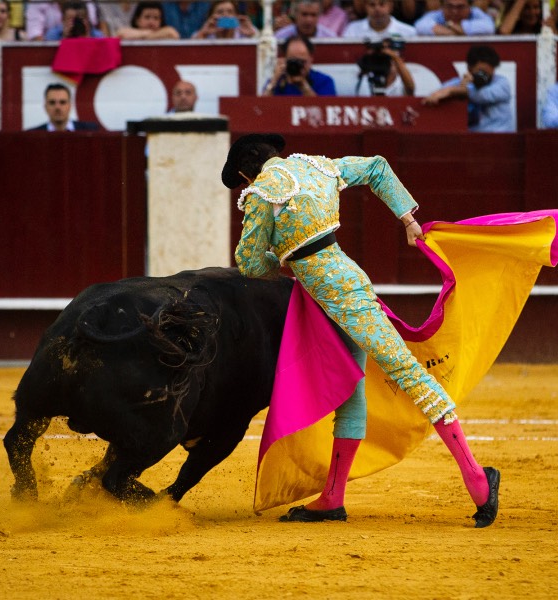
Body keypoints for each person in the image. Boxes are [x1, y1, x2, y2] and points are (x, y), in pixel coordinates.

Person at [222, 134, 500, 526]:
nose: (247, 185)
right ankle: (332, 498)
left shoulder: (262, 193)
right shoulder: (316, 166)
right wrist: (408, 219)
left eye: (244, 179)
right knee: (351, 389)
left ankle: (479, 482)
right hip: (345, 281)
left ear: (245, 171)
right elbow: (376, 166)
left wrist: (279, 260)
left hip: (335, 295)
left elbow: (249, 264)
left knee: (406, 372)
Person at [423, 44, 515, 133]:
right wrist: (438, 95)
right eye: (481, 72)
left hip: (499, 138)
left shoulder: (501, 83)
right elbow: (434, 95)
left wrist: (453, 91)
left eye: (488, 73)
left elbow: (483, 96)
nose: (484, 76)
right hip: (471, 139)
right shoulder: (458, 82)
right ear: (469, 68)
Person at [262, 35, 337, 97]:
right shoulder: (277, 81)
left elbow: (324, 109)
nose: (297, 65)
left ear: (310, 60)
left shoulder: (324, 81)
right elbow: (261, 108)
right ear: (285, 59)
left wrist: (303, 85)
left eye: (302, 62)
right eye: (293, 61)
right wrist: (274, 81)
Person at [27, 83, 100, 131]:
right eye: (52, 102)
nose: (57, 107)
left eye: (62, 102)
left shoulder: (90, 131)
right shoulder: (33, 135)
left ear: (70, 105)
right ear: (45, 106)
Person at [25, 0, 99, 41]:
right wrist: (64, 38)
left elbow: (90, 26)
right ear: (62, 19)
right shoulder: (52, 34)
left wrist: (87, 37)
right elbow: (35, 37)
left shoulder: (96, 34)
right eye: (70, 19)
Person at [414, 0, 496, 36]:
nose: (454, 11)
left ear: (469, 7)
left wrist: (450, 25)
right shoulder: (437, 14)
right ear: (443, 6)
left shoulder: (476, 12)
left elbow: (489, 27)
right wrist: (458, 31)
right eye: (450, 6)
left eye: (460, 7)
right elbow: (420, 26)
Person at [342, 0, 417, 39]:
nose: (377, 9)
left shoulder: (409, 32)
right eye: (372, 4)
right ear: (365, 7)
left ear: (391, 6)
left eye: (382, 4)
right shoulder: (352, 30)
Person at [191, 0, 258, 39]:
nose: (225, 15)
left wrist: (252, 34)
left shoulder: (245, 30)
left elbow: (264, 47)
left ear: (236, 16)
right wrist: (203, 34)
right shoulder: (206, 32)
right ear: (211, 16)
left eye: (230, 11)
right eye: (220, 12)